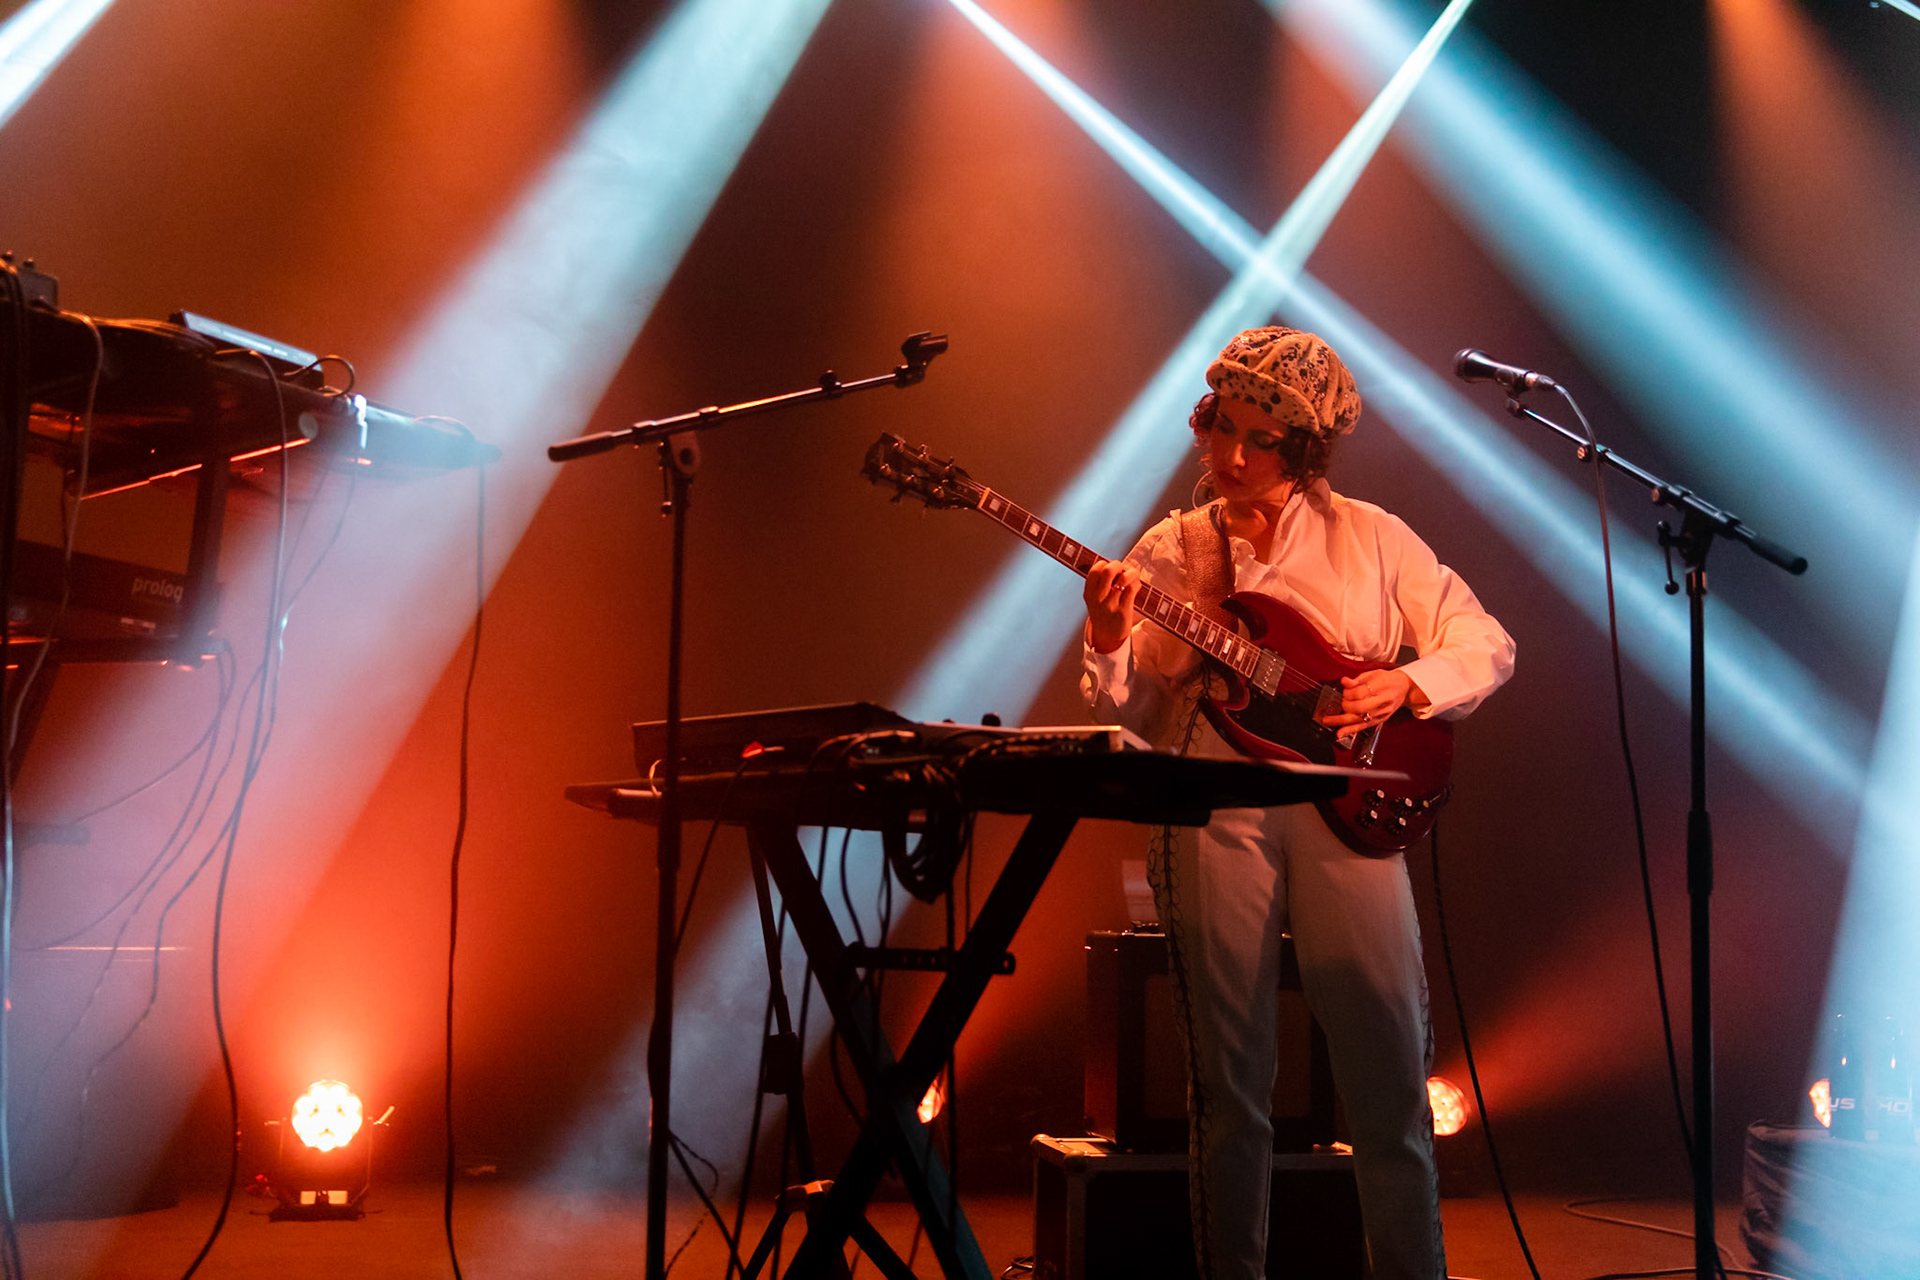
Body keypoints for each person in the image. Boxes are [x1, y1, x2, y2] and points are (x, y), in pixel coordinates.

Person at [1081, 327, 1515, 1280]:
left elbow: (1485, 638)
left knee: (1388, 1075)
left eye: (1259, 438)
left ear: (1306, 446)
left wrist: (1408, 687)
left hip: (1350, 798)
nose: (1231, 456)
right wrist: (1112, 637)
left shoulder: (1373, 536)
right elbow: (1143, 714)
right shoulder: (1175, 548)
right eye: (1218, 429)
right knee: (1227, 1083)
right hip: (1215, 794)